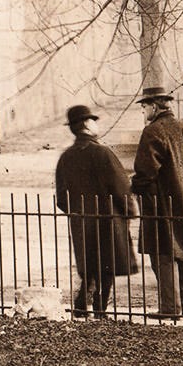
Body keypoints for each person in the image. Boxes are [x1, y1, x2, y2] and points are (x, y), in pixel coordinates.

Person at [132, 85, 183, 317]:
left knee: (163, 255)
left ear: (154, 106)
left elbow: (146, 172)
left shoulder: (153, 131)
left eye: (144, 106)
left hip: (162, 205)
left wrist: (134, 186)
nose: (143, 111)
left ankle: (170, 308)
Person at [54, 104, 136, 317]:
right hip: (107, 218)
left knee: (88, 263)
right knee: (107, 264)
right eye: (92, 120)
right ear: (87, 125)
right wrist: (128, 210)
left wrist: (77, 211)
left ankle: (82, 304)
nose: (95, 124)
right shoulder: (102, 153)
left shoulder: (66, 157)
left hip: (81, 220)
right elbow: (120, 186)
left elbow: (62, 198)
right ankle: (100, 307)